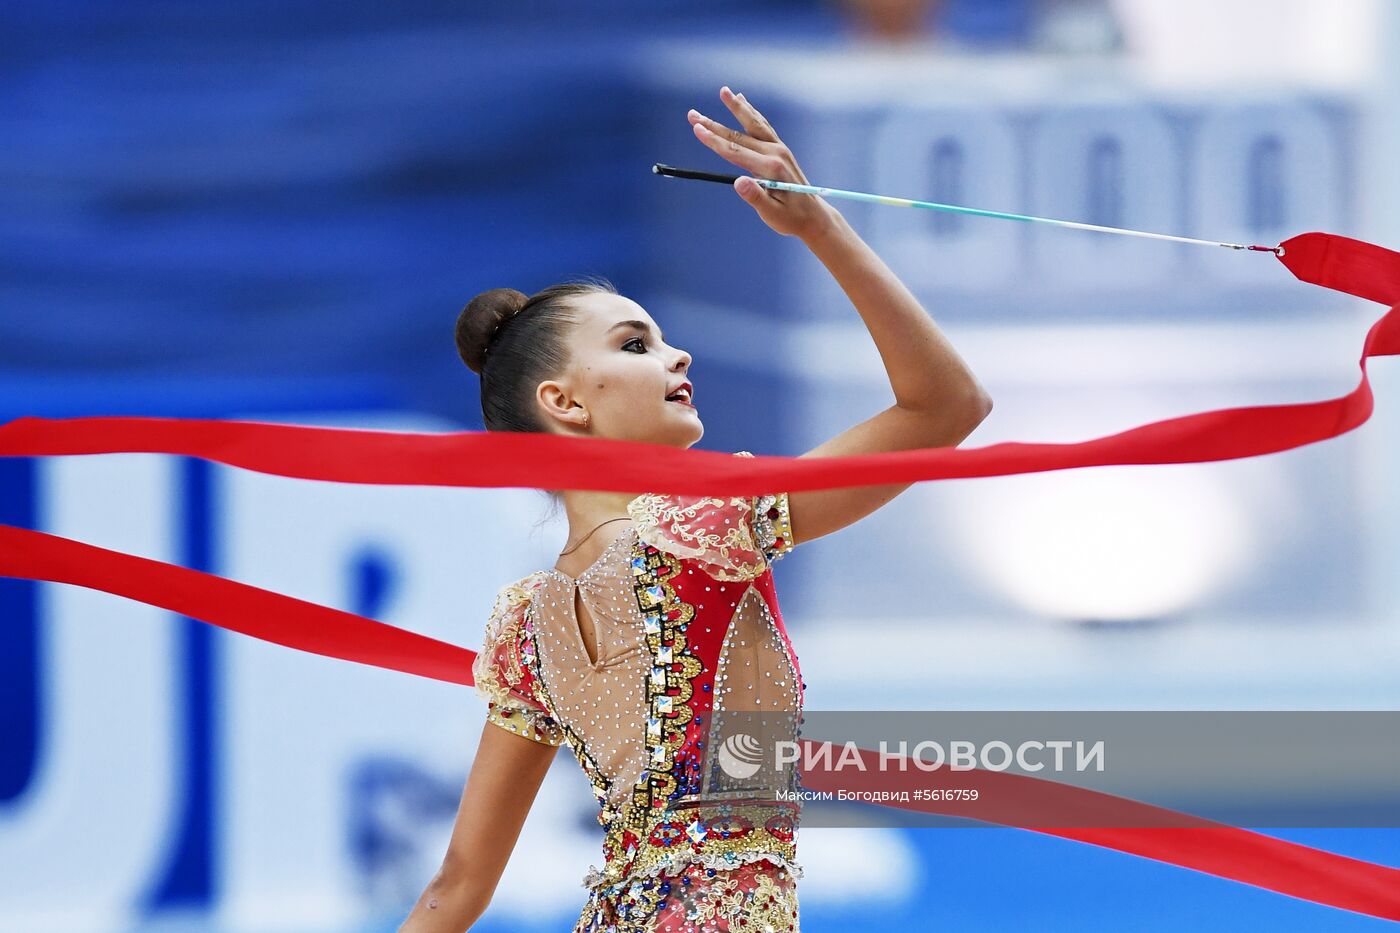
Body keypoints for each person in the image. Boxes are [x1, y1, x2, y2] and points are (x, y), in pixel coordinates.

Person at [398, 86, 992, 932]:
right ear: (564, 401)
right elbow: (947, 409)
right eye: (635, 344)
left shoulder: (524, 625)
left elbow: (453, 889)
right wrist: (819, 226)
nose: (678, 353)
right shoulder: (706, 522)